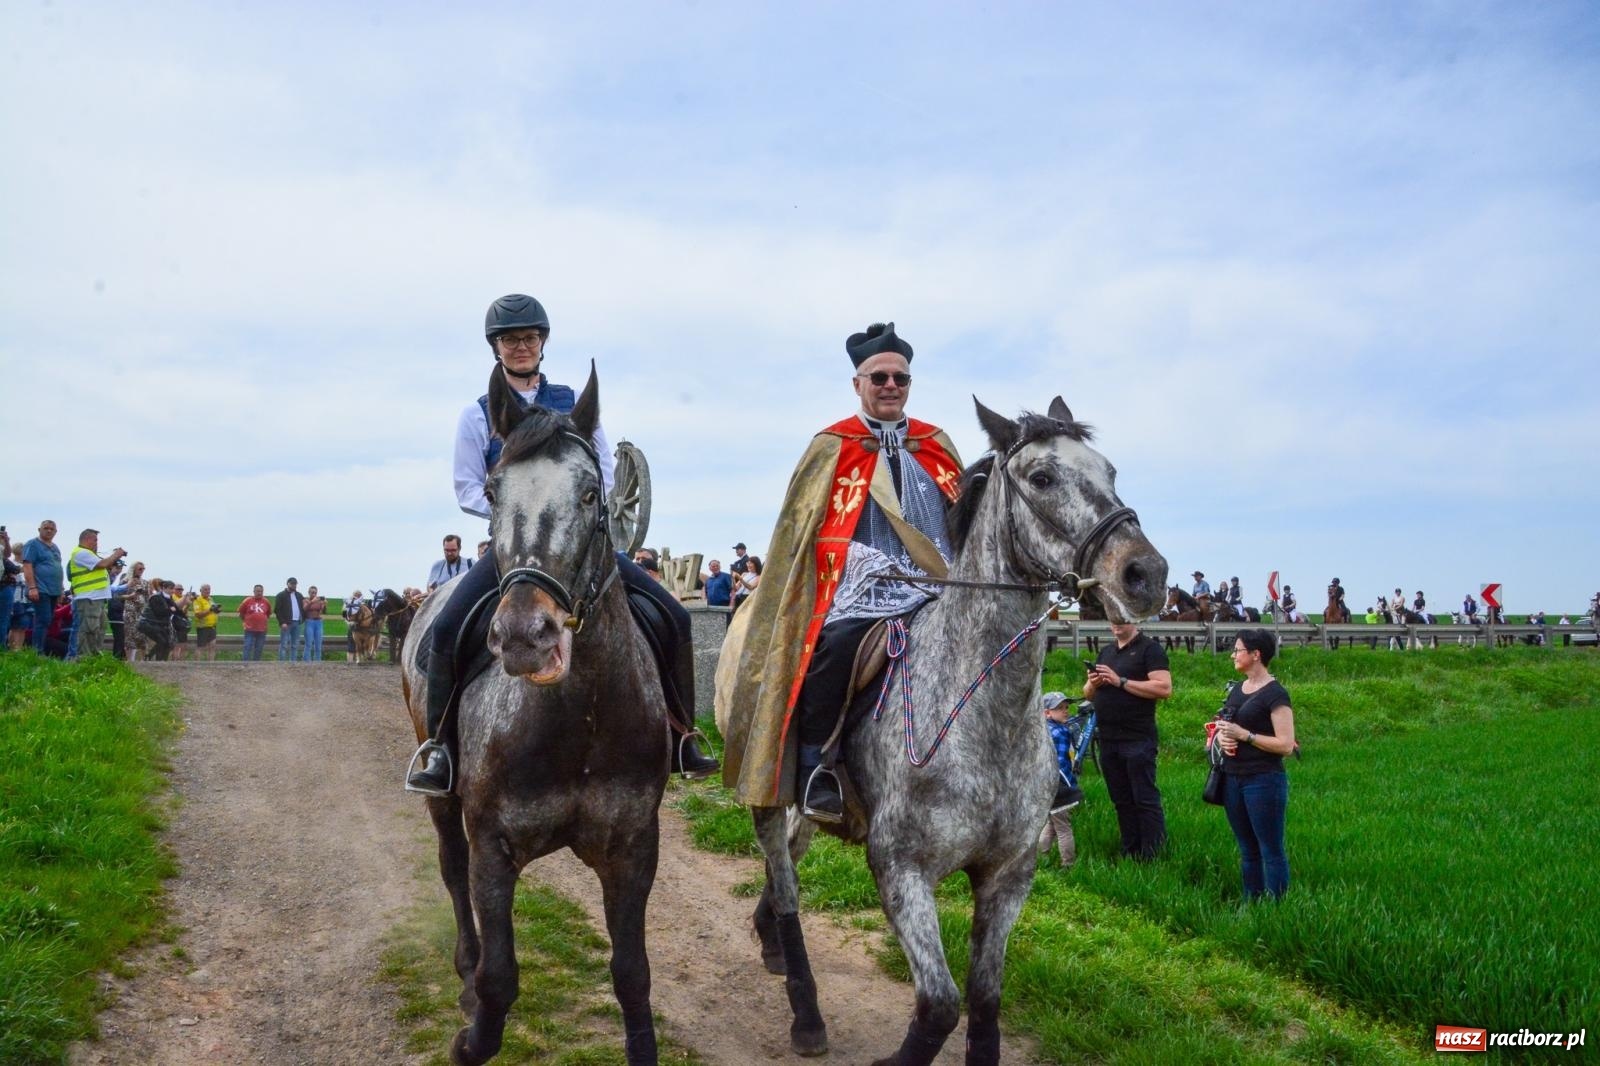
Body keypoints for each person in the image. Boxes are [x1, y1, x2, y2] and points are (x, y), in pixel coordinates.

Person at [407, 293, 717, 795]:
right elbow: (466, 486)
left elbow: (606, 470)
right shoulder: (477, 415)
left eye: (529, 338)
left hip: (576, 544)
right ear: (497, 348)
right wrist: (517, 511)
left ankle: (683, 736)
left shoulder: (574, 404)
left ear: (542, 343)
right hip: (512, 549)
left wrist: (569, 509)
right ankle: (440, 749)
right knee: (445, 629)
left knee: (674, 617)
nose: (521, 346)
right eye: (511, 340)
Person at [720, 321, 964, 819]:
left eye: (900, 378)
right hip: (859, 586)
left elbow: (964, 521)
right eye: (879, 378)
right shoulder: (831, 445)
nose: (891, 386)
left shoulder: (935, 443)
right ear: (858, 384)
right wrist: (868, 561)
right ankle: (816, 768)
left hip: (939, 585)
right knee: (835, 648)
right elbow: (805, 531)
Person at [1212, 629, 1297, 901]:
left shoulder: (1276, 694)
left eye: (1238, 650)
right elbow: (1226, 726)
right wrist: (1223, 738)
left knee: (1270, 850)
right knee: (1247, 849)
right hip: (1232, 778)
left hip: (1263, 780)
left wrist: (1245, 736)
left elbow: (1285, 745)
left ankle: (1277, 910)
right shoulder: (1238, 689)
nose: (1233, 655)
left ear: (1256, 654)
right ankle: (1252, 904)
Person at [1084, 617, 1173, 859]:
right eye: (1112, 620)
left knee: (1144, 797)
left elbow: (1164, 688)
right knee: (1121, 799)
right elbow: (1087, 693)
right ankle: (1129, 850)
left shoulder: (1150, 649)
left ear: (1135, 620)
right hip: (1108, 736)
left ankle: (1152, 853)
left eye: (1122, 619)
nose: (1116, 624)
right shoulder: (1106, 652)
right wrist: (1094, 683)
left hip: (1137, 736)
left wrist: (1120, 681)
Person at [1037, 692, 1085, 867]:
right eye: (1059, 708)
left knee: (1050, 822)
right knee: (1064, 828)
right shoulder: (1060, 732)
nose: (1065, 711)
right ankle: (1068, 864)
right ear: (1047, 713)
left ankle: (1042, 859)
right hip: (1060, 785)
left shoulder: (1042, 730)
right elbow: (1062, 763)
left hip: (1044, 785)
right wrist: (1070, 785)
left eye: (1066, 707)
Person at [66, 528, 127, 658]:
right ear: (87, 539)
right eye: (95, 540)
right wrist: (116, 554)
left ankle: (94, 656)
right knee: (88, 629)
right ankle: (83, 657)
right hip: (88, 597)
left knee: (99, 629)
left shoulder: (88, 554)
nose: (97, 543)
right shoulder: (81, 553)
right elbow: (103, 563)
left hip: (96, 598)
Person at [21, 520, 64, 654]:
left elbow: (58, 568)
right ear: (39, 529)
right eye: (46, 528)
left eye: (52, 529)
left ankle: (40, 649)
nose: (49, 531)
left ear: (56, 532)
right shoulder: (33, 544)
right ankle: (36, 651)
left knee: (47, 620)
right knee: (42, 619)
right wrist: (32, 587)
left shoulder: (55, 548)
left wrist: (61, 590)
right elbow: (27, 566)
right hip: (40, 589)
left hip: (54, 590)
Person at [137, 580, 176, 661]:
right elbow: (159, 612)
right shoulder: (156, 597)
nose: (172, 591)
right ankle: (153, 659)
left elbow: (175, 608)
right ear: (164, 588)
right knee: (162, 641)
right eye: (170, 588)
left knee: (167, 642)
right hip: (147, 623)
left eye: (173, 589)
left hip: (157, 624)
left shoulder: (168, 598)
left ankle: (160, 660)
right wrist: (170, 610)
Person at [121, 562, 151, 660]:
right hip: (130, 611)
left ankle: (143, 661)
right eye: (140, 569)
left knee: (142, 636)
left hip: (141, 613)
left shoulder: (145, 582)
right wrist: (129, 596)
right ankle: (130, 661)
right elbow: (117, 596)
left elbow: (147, 597)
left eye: (143, 569)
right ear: (133, 569)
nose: (142, 571)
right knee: (130, 636)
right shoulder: (125, 581)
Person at [274, 578, 305, 662]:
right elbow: (277, 610)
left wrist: (302, 619)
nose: (294, 585)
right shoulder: (281, 595)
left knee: (295, 644)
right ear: (287, 584)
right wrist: (282, 622)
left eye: (295, 584)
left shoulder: (299, 595)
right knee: (284, 644)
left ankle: (293, 662)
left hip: (297, 623)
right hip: (286, 623)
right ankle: (282, 662)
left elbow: (304, 607)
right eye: (292, 584)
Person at [239, 585, 272, 660]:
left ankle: (256, 664)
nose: (259, 593)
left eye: (261, 591)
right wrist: (246, 621)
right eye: (257, 591)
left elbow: (268, 614)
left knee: (259, 648)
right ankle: (245, 663)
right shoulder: (247, 601)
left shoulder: (266, 602)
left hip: (262, 630)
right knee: (247, 646)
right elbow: (241, 613)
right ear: (254, 591)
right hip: (249, 629)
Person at [192, 583, 220, 662]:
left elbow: (213, 610)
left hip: (212, 626)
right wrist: (210, 610)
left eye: (209, 589)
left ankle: (211, 663)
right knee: (201, 646)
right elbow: (198, 614)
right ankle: (197, 663)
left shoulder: (210, 599)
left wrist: (216, 610)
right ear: (200, 590)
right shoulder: (198, 600)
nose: (207, 591)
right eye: (205, 589)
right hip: (203, 626)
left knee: (212, 646)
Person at [169, 584, 193, 661]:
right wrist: (185, 599)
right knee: (176, 646)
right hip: (175, 623)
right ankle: (174, 662)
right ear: (174, 589)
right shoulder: (172, 597)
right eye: (178, 589)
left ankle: (181, 662)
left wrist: (188, 604)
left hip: (182, 624)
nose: (180, 591)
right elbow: (176, 608)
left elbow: (184, 611)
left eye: (181, 589)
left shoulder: (183, 598)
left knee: (183, 645)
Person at [303, 585, 327, 661]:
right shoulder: (305, 600)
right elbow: (304, 608)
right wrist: (312, 601)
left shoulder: (319, 601)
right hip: (309, 621)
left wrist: (324, 605)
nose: (314, 594)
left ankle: (317, 661)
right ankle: (306, 661)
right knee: (309, 643)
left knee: (318, 644)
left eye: (315, 593)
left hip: (318, 622)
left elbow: (323, 612)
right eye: (312, 592)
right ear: (309, 592)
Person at [343, 589, 366, 662]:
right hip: (353, 626)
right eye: (356, 595)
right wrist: (349, 623)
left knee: (359, 645)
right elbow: (344, 616)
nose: (357, 596)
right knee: (351, 645)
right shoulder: (348, 604)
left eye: (359, 595)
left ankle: (358, 660)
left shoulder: (362, 605)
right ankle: (350, 661)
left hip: (362, 628)